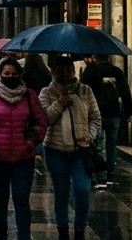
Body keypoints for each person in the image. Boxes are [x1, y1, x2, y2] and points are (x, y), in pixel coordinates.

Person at [0, 56, 48, 240]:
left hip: (23, 157)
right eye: (6, 73)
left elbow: (41, 122)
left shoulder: (29, 96)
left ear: (20, 75)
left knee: (21, 198)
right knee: (0, 199)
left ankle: (24, 236)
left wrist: (31, 143)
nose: (10, 76)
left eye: (14, 74)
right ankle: (2, 235)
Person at [40, 55, 102, 240]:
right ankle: (63, 231)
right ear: (53, 71)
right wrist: (60, 103)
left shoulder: (85, 91)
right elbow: (45, 120)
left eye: (68, 70)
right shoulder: (46, 92)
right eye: (59, 70)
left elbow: (95, 118)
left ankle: (80, 229)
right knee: (61, 192)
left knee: (82, 189)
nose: (64, 74)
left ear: (73, 71)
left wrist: (89, 136)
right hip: (54, 150)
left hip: (80, 152)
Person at [79, 53, 132, 187]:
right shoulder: (117, 71)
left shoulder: (91, 70)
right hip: (114, 113)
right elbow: (125, 92)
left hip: (97, 114)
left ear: (95, 57)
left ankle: (101, 176)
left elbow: (82, 90)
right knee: (111, 145)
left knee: (98, 144)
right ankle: (110, 174)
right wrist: (129, 112)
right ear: (108, 57)